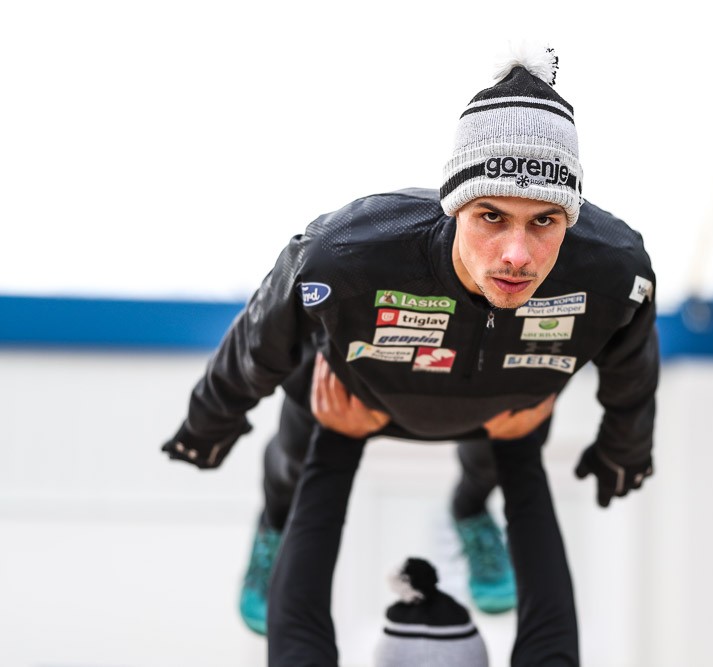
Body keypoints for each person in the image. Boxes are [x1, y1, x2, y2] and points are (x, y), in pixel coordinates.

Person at [162, 45, 658, 667]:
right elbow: (260, 339)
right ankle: (276, 527)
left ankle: (470, 513)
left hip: (501, 405)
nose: (516, 254)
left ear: (571, 218)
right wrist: (212, 421)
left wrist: (623, 449)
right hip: (354, 398)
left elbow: (632, 368)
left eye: (545, 221)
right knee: (297, 444)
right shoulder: (345, 252)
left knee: (500, 448)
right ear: (454, 205)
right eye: (491, 215)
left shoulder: (616, 271)